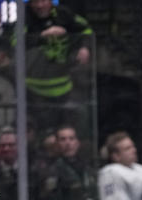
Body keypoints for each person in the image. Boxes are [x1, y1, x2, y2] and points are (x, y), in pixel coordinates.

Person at [24, 0, 93, 132]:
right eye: (35, 2)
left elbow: (87, 29)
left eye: (43, 1)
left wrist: (85, 47)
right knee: (42, 131)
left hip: (64, 87)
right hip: (34, 91)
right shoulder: (24, 16)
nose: (39, 6)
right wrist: (41, 36)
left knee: (69, 129)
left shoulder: (64, 14)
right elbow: (14, 42)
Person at [39, 124, 97, 200]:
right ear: (57, 144)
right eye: (63, 139)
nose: (68, 143)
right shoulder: (51, 171)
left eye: (71, 138)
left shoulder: (88, 169)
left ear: (77, 142)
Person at [97, 132, 142, 200]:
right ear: (116, 156)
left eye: (133, 146)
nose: (134, 150)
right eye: (127, 148)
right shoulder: (110, 173)